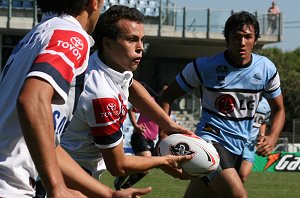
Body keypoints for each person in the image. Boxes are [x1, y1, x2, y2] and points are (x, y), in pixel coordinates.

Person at [0, 0, 152, 197]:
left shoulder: (36, 35)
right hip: (10, 184)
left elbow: (49, 142)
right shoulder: (72, 36)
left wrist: (108, 194)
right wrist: (57, 187)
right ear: (94, 3)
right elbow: (31, 99)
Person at [60, 4, 193, 189]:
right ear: (108, 43)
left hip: (72, 170)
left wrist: (167, 124)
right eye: (131, 40)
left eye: (141, 40)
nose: (141, 48)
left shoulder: (103, 63)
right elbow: (118, 166)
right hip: (71, 180)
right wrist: (163, 161)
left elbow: (132, 86)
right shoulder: (102, 95)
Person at [159, 11, 285, 198]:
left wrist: (273, 137)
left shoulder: (266, 69)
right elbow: (166, 97)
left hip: (239, 148)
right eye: (236, 37)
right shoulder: (204, 66)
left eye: (247, 37)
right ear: (227, 39)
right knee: (238, 195)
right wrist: (163, 134)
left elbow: (279, 109)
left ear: (255, 40)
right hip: (210, 142)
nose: (242, 43)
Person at [114, 83, 167, 190]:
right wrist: (136, 125)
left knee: (145, 170)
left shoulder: (165, 106)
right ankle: (122, 178)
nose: (165, 93)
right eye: (164, 91)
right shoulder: (150, 101)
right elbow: (131, 110)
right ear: (160, 92)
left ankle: (124, 186)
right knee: (146, 160)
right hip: (140, 136)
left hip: (151, 140)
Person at [239, 97, 271, 183]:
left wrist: (262, 135)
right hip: (235, 141)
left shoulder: (266, 104)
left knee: (243, 176)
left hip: (250, 145)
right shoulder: (243, 97)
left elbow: (263, 121)